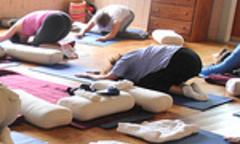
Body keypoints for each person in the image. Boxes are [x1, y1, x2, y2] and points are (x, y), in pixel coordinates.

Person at [73, 44, 209, 100]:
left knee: (145, 83)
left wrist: (87, 75)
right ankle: (186, 86)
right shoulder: (136, 58)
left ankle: (184, 91)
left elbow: (110, 77)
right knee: (157, 78)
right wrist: (98, 72)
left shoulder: (125, 59)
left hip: (180, 60)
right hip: (193, 61)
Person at [0, 10, 76, 57]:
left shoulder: (16, 27)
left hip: (53, 20)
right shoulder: (26, 23)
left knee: (37, 45)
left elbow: (3, 37)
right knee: (47, 42)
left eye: (23, 40)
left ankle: (64, 48)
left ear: (18, 35)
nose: (26, 39)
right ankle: (64, 46)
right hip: (66, 19)